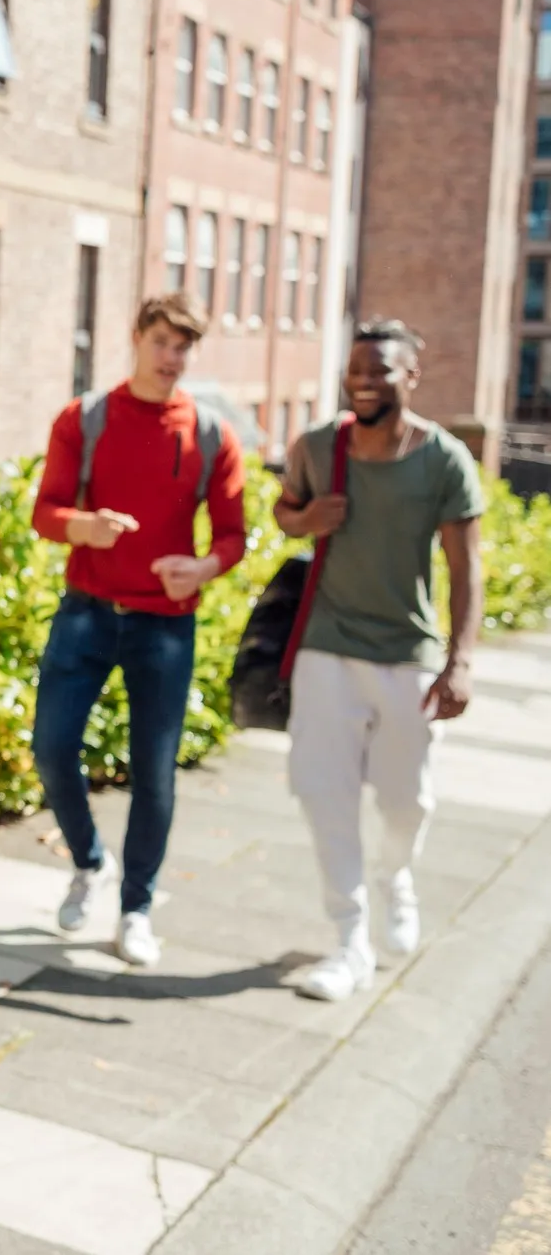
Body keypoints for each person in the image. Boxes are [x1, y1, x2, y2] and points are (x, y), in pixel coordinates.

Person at [29, 291, 246, 967]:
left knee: (154, 773)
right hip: (86, 613)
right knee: (50, 748)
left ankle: (135, 908)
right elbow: (45, 512)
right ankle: (89, 861)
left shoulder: (210, 433)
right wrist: (82, 527)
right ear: (136, 338)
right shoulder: (85, 419)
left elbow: (235, 536)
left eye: (182, 347)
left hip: (165, 626)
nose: (171, 358)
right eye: (161, 342)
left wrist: (203, 566)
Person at [275, 320, 483, 1003]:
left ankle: (394, 879)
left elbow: (465, 567)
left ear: (410, 378)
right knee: (322, 796)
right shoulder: (315, 446)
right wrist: (306, 522)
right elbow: (284, 511)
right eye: (354, 369)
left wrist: (459, 663)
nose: (363, 382)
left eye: (380, 371)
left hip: (407, 655)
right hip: (325, 649)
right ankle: (348, 940)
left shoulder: (443, 460)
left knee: (406, 801)